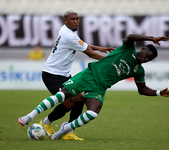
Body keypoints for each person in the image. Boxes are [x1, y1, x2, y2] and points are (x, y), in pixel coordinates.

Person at [18, 33, 169, 140]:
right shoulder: (128, 48)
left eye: (148, 60)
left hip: (100, 87)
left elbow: (142, 90)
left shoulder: (138, 70)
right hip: (90, 75)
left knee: (93, 113)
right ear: (142, 49)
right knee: (63, 95)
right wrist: (151, 38)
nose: (145, 59)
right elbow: (130, 36)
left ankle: (64, 129)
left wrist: (158, 92)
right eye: (146, 55)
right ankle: (29, 116)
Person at [18, 8, 114, 140]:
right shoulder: (70, 35)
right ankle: (46, 123)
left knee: (79, 99)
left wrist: (99, 48)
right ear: (65, 20)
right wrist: (111, 61)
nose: (76, 21)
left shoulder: (66, 31)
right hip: (52, 74)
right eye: (72, 19)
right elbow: (89, 53)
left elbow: (81, 44)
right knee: (69, 103)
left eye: (77, 19)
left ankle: (69, 131)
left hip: (63, 74)